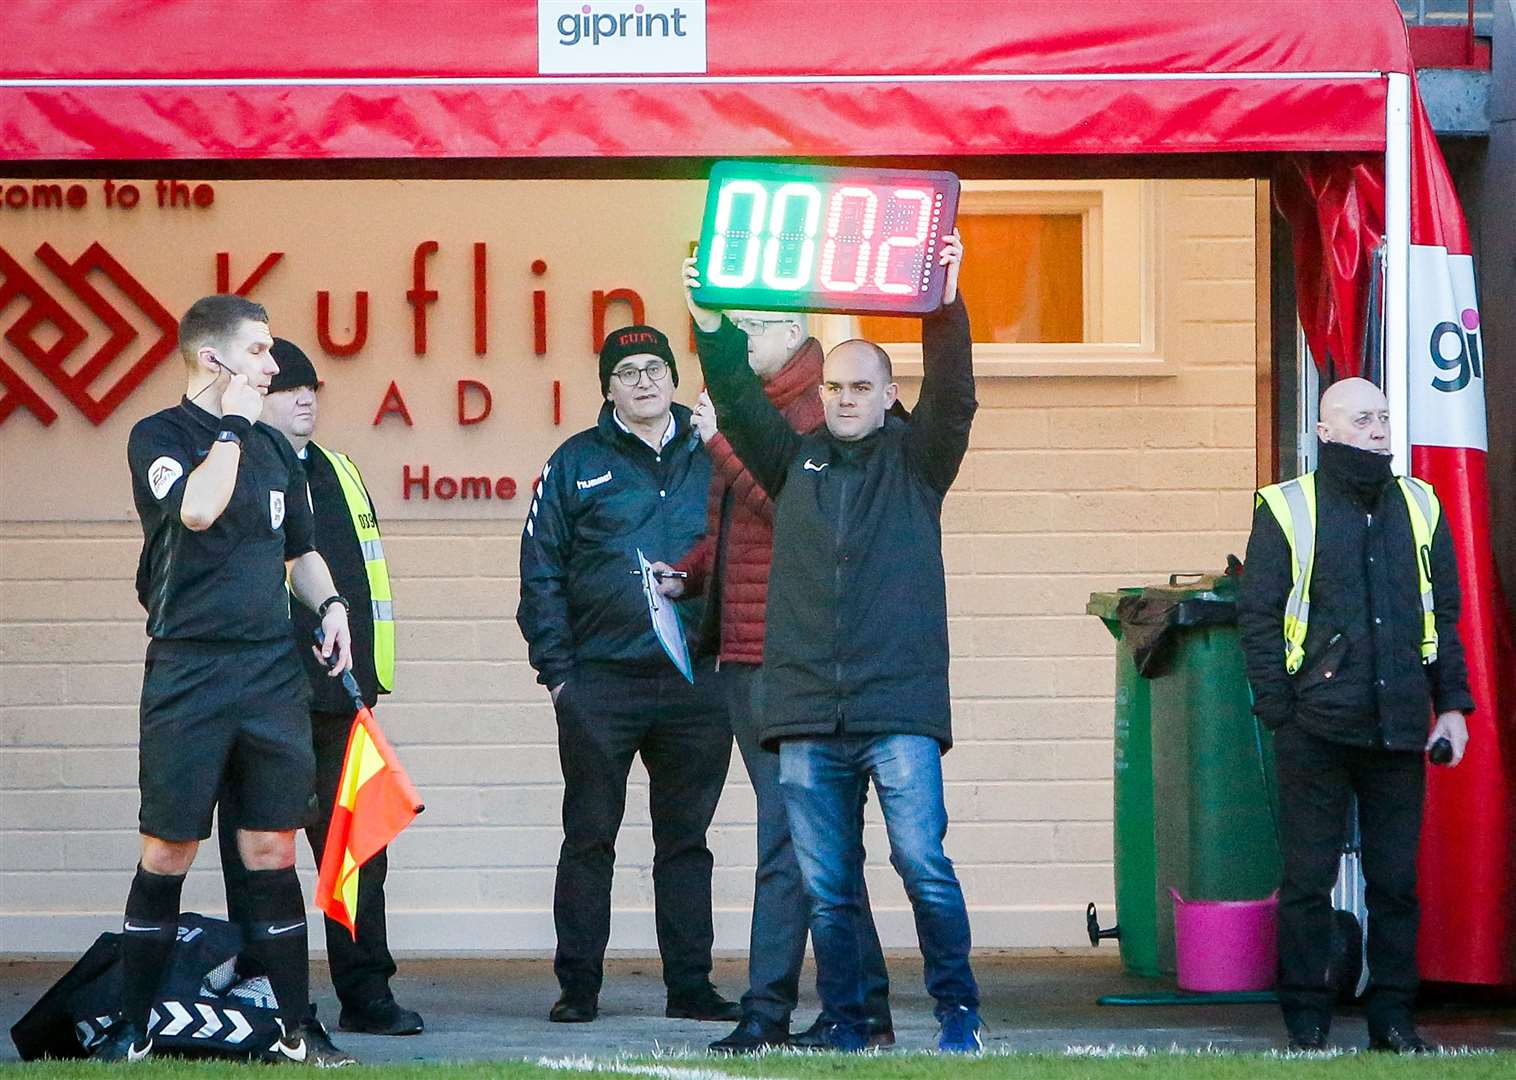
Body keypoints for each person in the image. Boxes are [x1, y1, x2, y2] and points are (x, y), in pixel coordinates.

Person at [679, 233, 986, 1053]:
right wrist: (709, 323)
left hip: (898, 708)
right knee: (828, 885)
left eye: (862, 387)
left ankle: (958, 1014)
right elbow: (740, 405)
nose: (846, 399)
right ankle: (852, 1024)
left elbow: (954, 395)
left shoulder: (921, 464)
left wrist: (945, 304)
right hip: (809, 709)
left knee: (921, 865)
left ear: (888, 396)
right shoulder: (793, 462)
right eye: (838, 386)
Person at [98, 296, 355, 1065]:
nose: (274, 367)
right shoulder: (160, 437)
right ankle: (132, 1028)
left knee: (274, 848)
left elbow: (298, 550)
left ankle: (296, 1030)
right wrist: (235, 427)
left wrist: (332, 601)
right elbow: (200, 511)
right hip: (189, 668)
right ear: (213, 359)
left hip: (270, 670)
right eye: (260, 351)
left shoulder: (276, 452)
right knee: (169, 849)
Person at [654, 312, 893, 1053]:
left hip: (783, 659)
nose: (748, 341)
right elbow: (740, 530)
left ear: (794, 332)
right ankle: (866, 1004)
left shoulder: (815, 411)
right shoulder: (766, 405)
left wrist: (719, 445)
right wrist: (689, 573)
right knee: (810, 842)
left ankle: (767, 1012)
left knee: (786, 844)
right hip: (746, 651)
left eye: (759, 328)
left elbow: (798, 514)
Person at [1238, 377, 1473, 1054]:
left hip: (1399, 722)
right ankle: (1306, 1020)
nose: (1378, 428)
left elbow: (1443, 616)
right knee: (1307, 882)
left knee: (1395, 883)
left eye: (1384, 417)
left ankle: (1393, 1019)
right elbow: (1258, 615)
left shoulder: (1421, 504)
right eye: (1363, 417)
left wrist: (1451, 705)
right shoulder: (1288, 507)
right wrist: (1279, 708)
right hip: (1315, 724)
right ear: (1325, 431)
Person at [517, 325, 739, 1025]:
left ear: (675, 378)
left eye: (656, 368)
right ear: (608, 387)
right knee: (589, 838)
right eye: (628, 371)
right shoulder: (575, 462)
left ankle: (691, 986)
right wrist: (559, 677)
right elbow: (540, 572)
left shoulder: (716, 453)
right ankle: (579, 986)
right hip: (599, 686)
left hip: (696, 683)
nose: (644, 381)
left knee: (686, 841)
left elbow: (751, 548)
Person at [218, 338, 422, 1045]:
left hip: (341, 699)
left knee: (359, 851)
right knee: (259, 854)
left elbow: (363, 581)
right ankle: (265, 1002)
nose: (303, 398)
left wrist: (369, 674)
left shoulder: (338, 469)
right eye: (286, 388)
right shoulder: (233, 466)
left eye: (311, 388)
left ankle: (366, 993)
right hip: (262, 699)